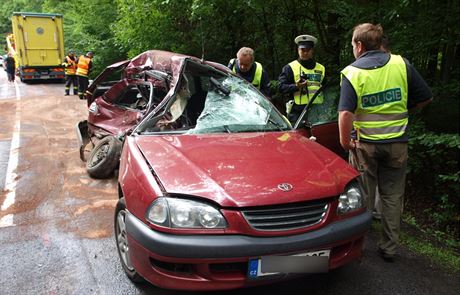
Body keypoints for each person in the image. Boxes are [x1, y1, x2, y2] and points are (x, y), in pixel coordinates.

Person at [338, 23, 432, 262]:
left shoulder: (352, 72)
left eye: (352, 45)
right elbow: (425, 97)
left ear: (359, 46)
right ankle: (389, 248)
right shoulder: (402, 64)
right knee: (392, 196)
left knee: (364, 196)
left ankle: (359, 245)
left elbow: (346, 114)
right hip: (397, 144)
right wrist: (404, 110)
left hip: (364, 146)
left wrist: (344, 142)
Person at [278, 34, 325, 123]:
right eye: (302, 50)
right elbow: (281, 87)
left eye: (308, 50)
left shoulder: (321, 68)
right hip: (297, 112)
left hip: (317, 110)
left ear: (312, 50)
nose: (305, 52)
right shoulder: (289, 68)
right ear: (298, 50)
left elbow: (325, 89)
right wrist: (296, 86)